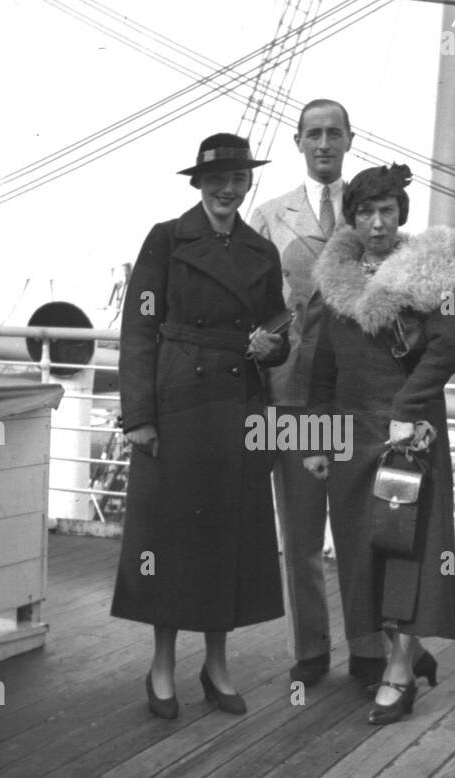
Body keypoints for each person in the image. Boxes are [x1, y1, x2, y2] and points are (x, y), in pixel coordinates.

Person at [112, 133, 290, 719]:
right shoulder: (165, 240)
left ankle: (216, 666)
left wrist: (272, 347)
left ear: (248, 184)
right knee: (169, 541)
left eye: (238, 180)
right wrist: (138, 415)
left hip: (238, 406)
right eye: (217, 180)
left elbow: (277, 334)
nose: (227, 190)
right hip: (177, 404)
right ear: (198, 183)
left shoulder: (261, 254)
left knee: (226, 540)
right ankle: (161, 667)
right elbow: (139, 329)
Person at [303, 163, 455, 725]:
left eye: (388, 212)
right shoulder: (337, 280)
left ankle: (400, 674)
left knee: (408, 551)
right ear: (352, 218)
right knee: (360, 550)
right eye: (367, 213)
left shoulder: (431, 273)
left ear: (401, 215)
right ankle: (405, 651)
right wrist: (318, 439)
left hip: (410, 431)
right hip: (351, 436)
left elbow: (451, 347)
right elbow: (322, 369)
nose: (378, 223)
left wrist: (406, 408)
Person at [249, 98, 386, 689]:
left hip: (355, 395)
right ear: (298, 141)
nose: (324, 143)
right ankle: (309, 646)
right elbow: (252, 302)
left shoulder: (371, 211)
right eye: (314, 134)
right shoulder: (271, 214)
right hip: (294, 392)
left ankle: (367, 647)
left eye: (334, 133)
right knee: (301, 530)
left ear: (351, 139)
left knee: (358, 528)